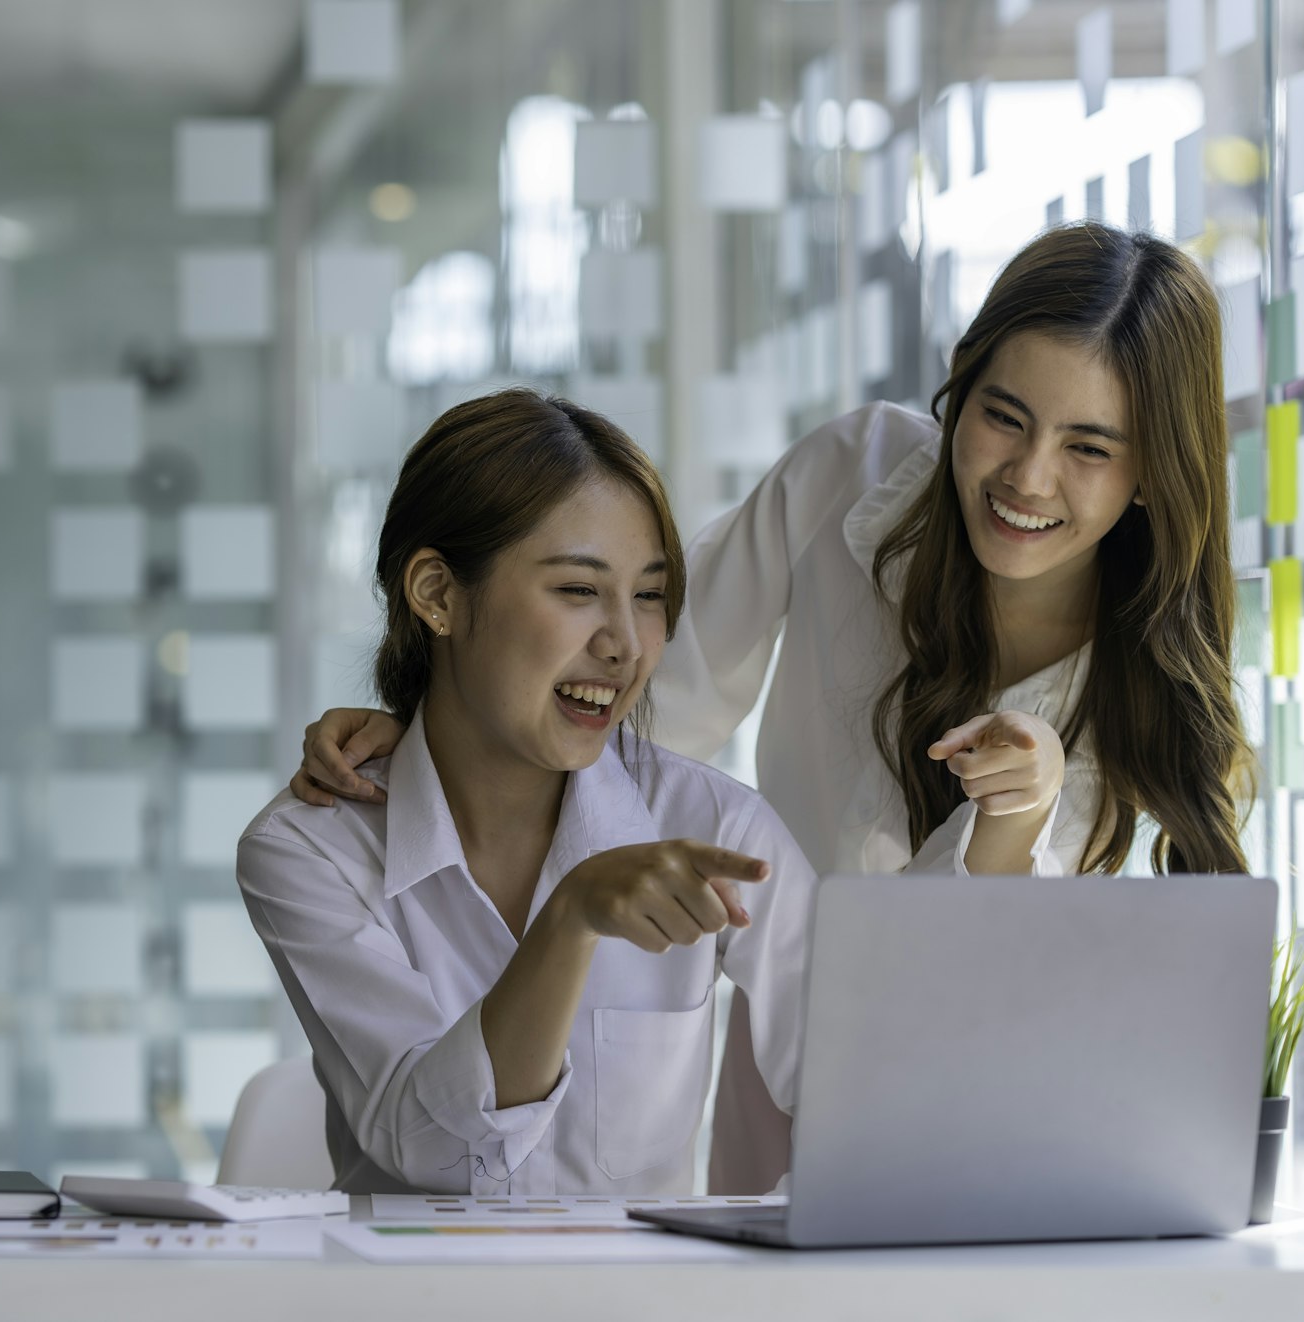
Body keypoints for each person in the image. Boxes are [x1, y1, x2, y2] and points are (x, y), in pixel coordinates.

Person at [284, 221, 1254, 1192]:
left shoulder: (1138, 690)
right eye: (1002, 416)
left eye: (1088, 445)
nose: (1027, 476)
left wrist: (1020, 812)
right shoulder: (853, 473)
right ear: (958, 379)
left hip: (962, 1064)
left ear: (1148, 470)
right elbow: (642, 684)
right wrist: (445, 730)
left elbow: (960, 996)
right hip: (777, 1005)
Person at [236, 389, 818, 1194]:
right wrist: (571, 919)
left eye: (647, 595)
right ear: (436, 594)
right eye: (578, 591)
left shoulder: (716, 828)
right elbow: (435, 1152)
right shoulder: (312, 849)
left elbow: (872, 1101)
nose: (624, 646)